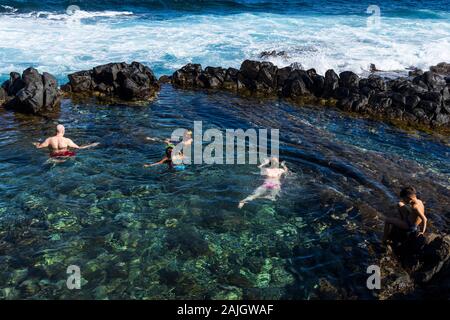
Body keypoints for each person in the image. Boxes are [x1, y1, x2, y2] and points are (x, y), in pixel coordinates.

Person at [33, 124, 99, 158]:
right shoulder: (67, 140)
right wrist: (92, 145)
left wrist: (36, 143)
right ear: (63, 131)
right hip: (65, 156)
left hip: (54, 156)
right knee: (73, 154)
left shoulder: (49, 139)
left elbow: (38, 147)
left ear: (55, 131)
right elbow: (79, 148)